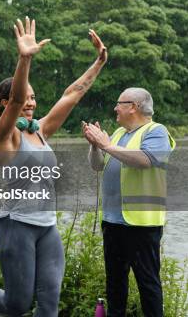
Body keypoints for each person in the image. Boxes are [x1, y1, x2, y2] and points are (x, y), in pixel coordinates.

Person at [0, 18, 107, 317]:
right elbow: (17, 99)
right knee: (17, 305)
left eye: (33, 97)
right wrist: (24, 58)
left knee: (49, 305)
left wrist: (99, 62)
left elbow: (72, 94)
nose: (30, 102)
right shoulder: (4, 135)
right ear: (5, 103)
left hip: (47, 227)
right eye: (25, 98)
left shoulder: (41, 129)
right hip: (16, 226)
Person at [83, 88, 175, 317]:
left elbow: (146, 160)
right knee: (115, 285)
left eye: (119, 103)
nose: (115, 108)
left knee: (148, 284)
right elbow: (97, 165)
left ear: (133, 106)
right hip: (113, 222)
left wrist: (106, 145)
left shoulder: (156, 131)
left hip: (141, 224)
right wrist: (95, 144)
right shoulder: (116, 133)